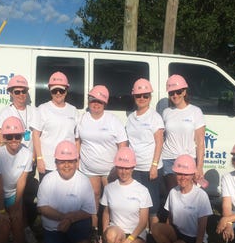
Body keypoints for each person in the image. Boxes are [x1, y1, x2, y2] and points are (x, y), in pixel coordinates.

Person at [37, 140, 96, 243]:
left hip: (75, 223)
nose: (67, 165)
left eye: (70, 161)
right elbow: (42, 208)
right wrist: (63, 218)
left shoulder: (84, 180)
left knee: (85, 223)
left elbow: (88, 211)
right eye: (62, 161)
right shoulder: (48, 179)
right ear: (56, 163)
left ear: (76, 162)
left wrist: (69, 220)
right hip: (54, 226)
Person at [0, 75, 39, 243]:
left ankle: (23, 227)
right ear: (11, 93)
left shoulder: (33, 111)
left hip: (28, 162)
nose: (21, 94)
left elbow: (36, 135)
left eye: (24, 91)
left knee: (24, 197)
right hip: (11, 162)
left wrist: (36, 156)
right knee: (11, 196)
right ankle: (17, 228)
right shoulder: (5, 112)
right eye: (17, 91)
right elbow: (0, 140)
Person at [151, 154, 212, 243]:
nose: (182, 177)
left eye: (186, 174)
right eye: (179, 173)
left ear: (193, 174)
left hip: (193, 238)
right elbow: (169, 218)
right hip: (178, 232)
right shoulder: (173, 192)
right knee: (155, 228)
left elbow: (202, 228)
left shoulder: (201, 195)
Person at [77, 85, 128, 228]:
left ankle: (112, 230)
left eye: (100, 101)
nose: (96, 104)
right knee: (93, 198)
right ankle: (94, 230)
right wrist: (76, 161)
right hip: (88, 169)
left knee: (112, 200)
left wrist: (119, 167)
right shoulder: (82, 119)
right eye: (93, 100)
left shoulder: (113, 120)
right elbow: (77, 141)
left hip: (110, 170)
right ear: (89, 101)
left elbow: (122, 145)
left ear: (105, 103)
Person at [101, 147, 151, 243]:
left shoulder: (142, 190)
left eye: (127, 168)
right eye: (120, 167)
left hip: (135, 233)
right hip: (116, 231)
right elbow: (106, 213)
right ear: (116, 167)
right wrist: (105, 235)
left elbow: (143, 222)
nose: (123, 171)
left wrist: (129, 241)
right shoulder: (109, 188)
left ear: (133, 167)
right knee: (111, 236)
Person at [125, 78, 164, 224]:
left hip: (150, 168)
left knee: (152, 207)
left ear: (150, 97)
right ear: (134, 96)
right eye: (138, 95)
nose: (142, 98)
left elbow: (159, 142)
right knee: (137, 203)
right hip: (135, 168)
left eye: (145, 95)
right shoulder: (131, 117)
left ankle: (155, 237)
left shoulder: (155, 117)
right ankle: (142, 233)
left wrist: (154, 165)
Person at [161, 74, 206, 193]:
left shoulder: (196, 112)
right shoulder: (166, 112)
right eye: (171, 93)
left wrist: (199, 167)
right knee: (172, 196)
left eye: (178, 91)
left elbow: (200, 142)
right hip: (168, 159)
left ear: (184, 92)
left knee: (188, 196)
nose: (175, 95)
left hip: (189, 159)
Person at [32, 71, 79, 179]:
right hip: (48, 163)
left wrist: (76, 160)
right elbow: (35, 135)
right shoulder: (42, 109)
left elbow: (77, 139)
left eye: (61, 90)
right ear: (50, 91)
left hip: (68, 164)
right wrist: (39, 159)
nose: (58, 93)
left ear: (66, 91)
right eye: (54, 90)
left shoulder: (73, 111)